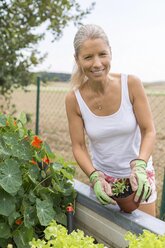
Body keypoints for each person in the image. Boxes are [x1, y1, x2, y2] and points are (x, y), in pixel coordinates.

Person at [65, 24, 157, 216]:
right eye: (88, 57)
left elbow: (148, 130)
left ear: (110, 53)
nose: (97, 63)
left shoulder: (131, 84)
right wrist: (94, 176)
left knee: (146, 236)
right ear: (77, 59)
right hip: (104, 182)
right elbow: (79, 146)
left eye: (102, 54)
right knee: (107, 239)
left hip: (139, 176)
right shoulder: (74, 99)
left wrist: (140, 165)